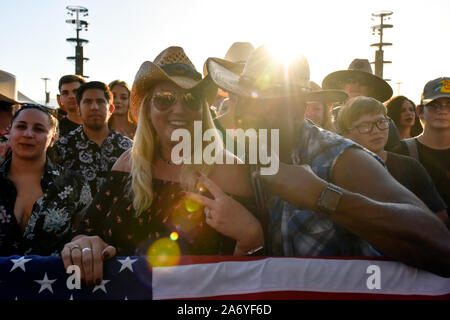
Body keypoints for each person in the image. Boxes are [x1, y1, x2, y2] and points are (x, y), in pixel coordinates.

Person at [205, 46, 450, 277]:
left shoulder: (339, 158)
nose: (242, 113)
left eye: (259, 101)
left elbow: (440, 245)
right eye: (242, 99)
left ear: (297, 107)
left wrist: (324, 197)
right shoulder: (255, 152)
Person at [61, 46, 263, 286]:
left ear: (202, 110)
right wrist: (84, 243)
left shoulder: (230, 170)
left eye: (191, 99)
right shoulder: (128, 164)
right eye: (165, 99)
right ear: (147, 107)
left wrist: (252, 236)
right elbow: (86, 229)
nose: (178, 109)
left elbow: (252, 273)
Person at [336, 96, 448, 226]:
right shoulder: (339, 171)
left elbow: (440, 218)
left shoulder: (410, 167)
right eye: (365, 125)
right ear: (346, 134)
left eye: (381, 122)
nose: (377, 131)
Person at [0, 104, 92, 256]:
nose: (28, 134)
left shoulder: (75, 185)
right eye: (21, 126)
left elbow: (86, 233)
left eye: (38, 129)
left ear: (53, 138)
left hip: (58, 278)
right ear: (10, 132)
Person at [54, 81, 132, 197]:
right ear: (78, 109)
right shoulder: (62, 147)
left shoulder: (129, 149)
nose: (94, 107)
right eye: (87, 102)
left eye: (100, 102)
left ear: (111, 109)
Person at [394, 77, 450, 219]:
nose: (442, 111)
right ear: (420, 110)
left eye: (449, 105)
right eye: (434, 104)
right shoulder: (401, 152)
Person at [322, 58, 401, 151]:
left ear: (371, 89)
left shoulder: (385, 123)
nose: (356, 84)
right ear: (342, 86)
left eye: (363, 82)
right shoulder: (329, 118)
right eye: (350, 80)